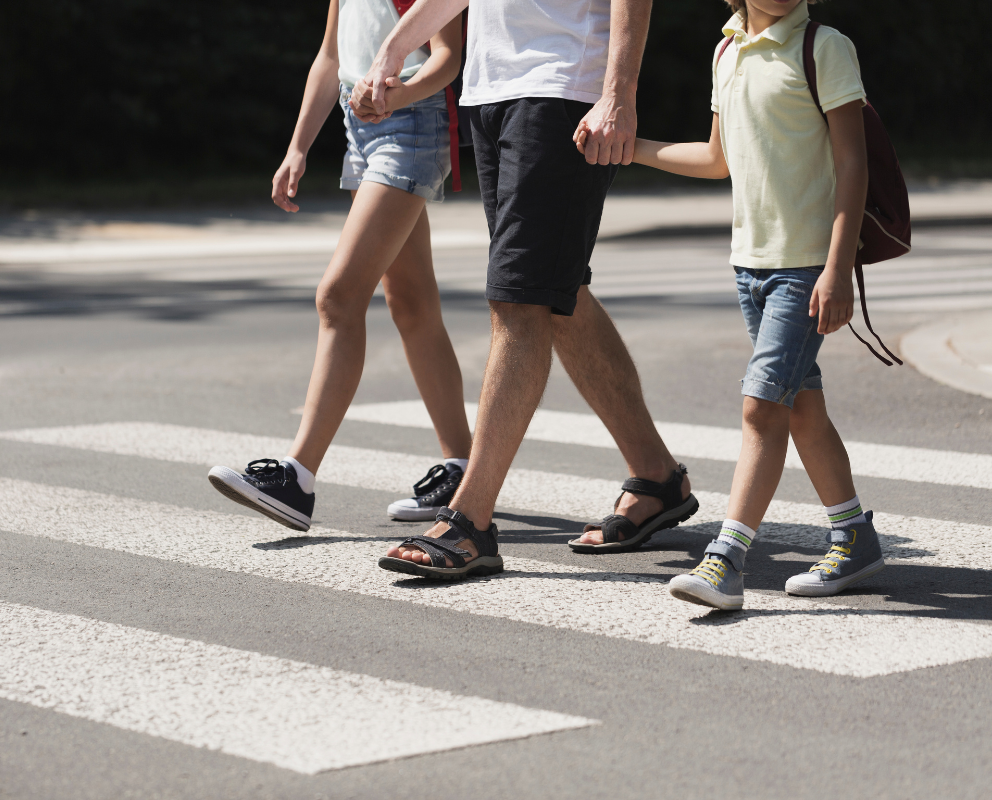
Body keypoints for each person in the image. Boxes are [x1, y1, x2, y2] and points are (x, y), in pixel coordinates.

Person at [357, 0, 699, 580]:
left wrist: (618, 92)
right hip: (491, 91)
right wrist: (392, 51)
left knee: (520, 299)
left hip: (564, 88)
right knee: (554, 294)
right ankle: (658, 478)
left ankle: (470, 519)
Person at [623, 0, 884, 610]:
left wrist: (837, 267)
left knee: (762, 409)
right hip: (751, 269)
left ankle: (726, 560)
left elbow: (853, 165)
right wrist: (631, 149)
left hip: (805, 269)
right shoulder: (728, 50)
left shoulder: (824, 47)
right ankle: (854, 536)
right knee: (800, 408)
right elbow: (718, 160)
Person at [208, 0, 473, 532]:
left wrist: (397, 94)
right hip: (363, 131)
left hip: (410, 124)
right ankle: (465, 468)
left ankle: (297, 478)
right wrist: (297, 148)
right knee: (412, 302)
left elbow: (449, 57)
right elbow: (329, 58)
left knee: (338, 296)